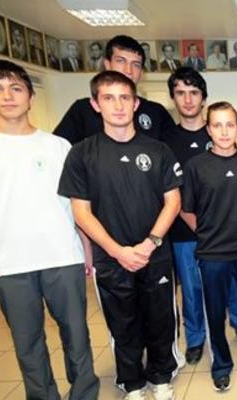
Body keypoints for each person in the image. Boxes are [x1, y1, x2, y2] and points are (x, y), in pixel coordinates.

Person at [0, 59, 100, 400]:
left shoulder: (59, 147)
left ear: (31, 97)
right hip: (9, 263)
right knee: (27, 343)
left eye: (16, 88)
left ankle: (84, 394)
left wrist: (86, 249)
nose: (7, 96)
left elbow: (75, 203)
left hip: (62, 256)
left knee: (77, 336)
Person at [59, 70, 182, 400]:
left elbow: (173, 202)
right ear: (95, 104)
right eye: (108, 98)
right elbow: (81, 212)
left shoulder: (158, 150)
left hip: (155, 254)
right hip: (111, 259)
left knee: (160, 320)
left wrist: (149, 244)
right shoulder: (82, 153)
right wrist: (118, 251)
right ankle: (132, 383)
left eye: (125, 98)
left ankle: (161, 376)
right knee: (123, 324)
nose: (118, 105)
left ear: (136, 103)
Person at [161, 67, 237, 366]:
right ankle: (196, 338)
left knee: (232, 283)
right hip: (186, 232)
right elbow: (171, 189)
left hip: (225, 232)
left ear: (204, 98)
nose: (188, 100)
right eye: (181, 93)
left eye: (194, 93)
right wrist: (198, 226)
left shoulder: (219, 133)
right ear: (173, 98)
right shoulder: (166, 140)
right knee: (192, 288)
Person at [180, 101, 237, 391]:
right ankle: (221, 364)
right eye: (217, 125)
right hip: (213, 253)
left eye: (230, 124)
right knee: (215, 313)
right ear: (208, 129)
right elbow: (186, 209)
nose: (224, 131)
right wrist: (208, 233)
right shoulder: (196, 166)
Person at [0, 36, 176, 146]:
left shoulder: (156, 112)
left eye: (136, 64)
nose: (128, 70)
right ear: (107, 64)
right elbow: (52, 148)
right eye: (121, 61)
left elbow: (180, 145)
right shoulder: (82, 110)